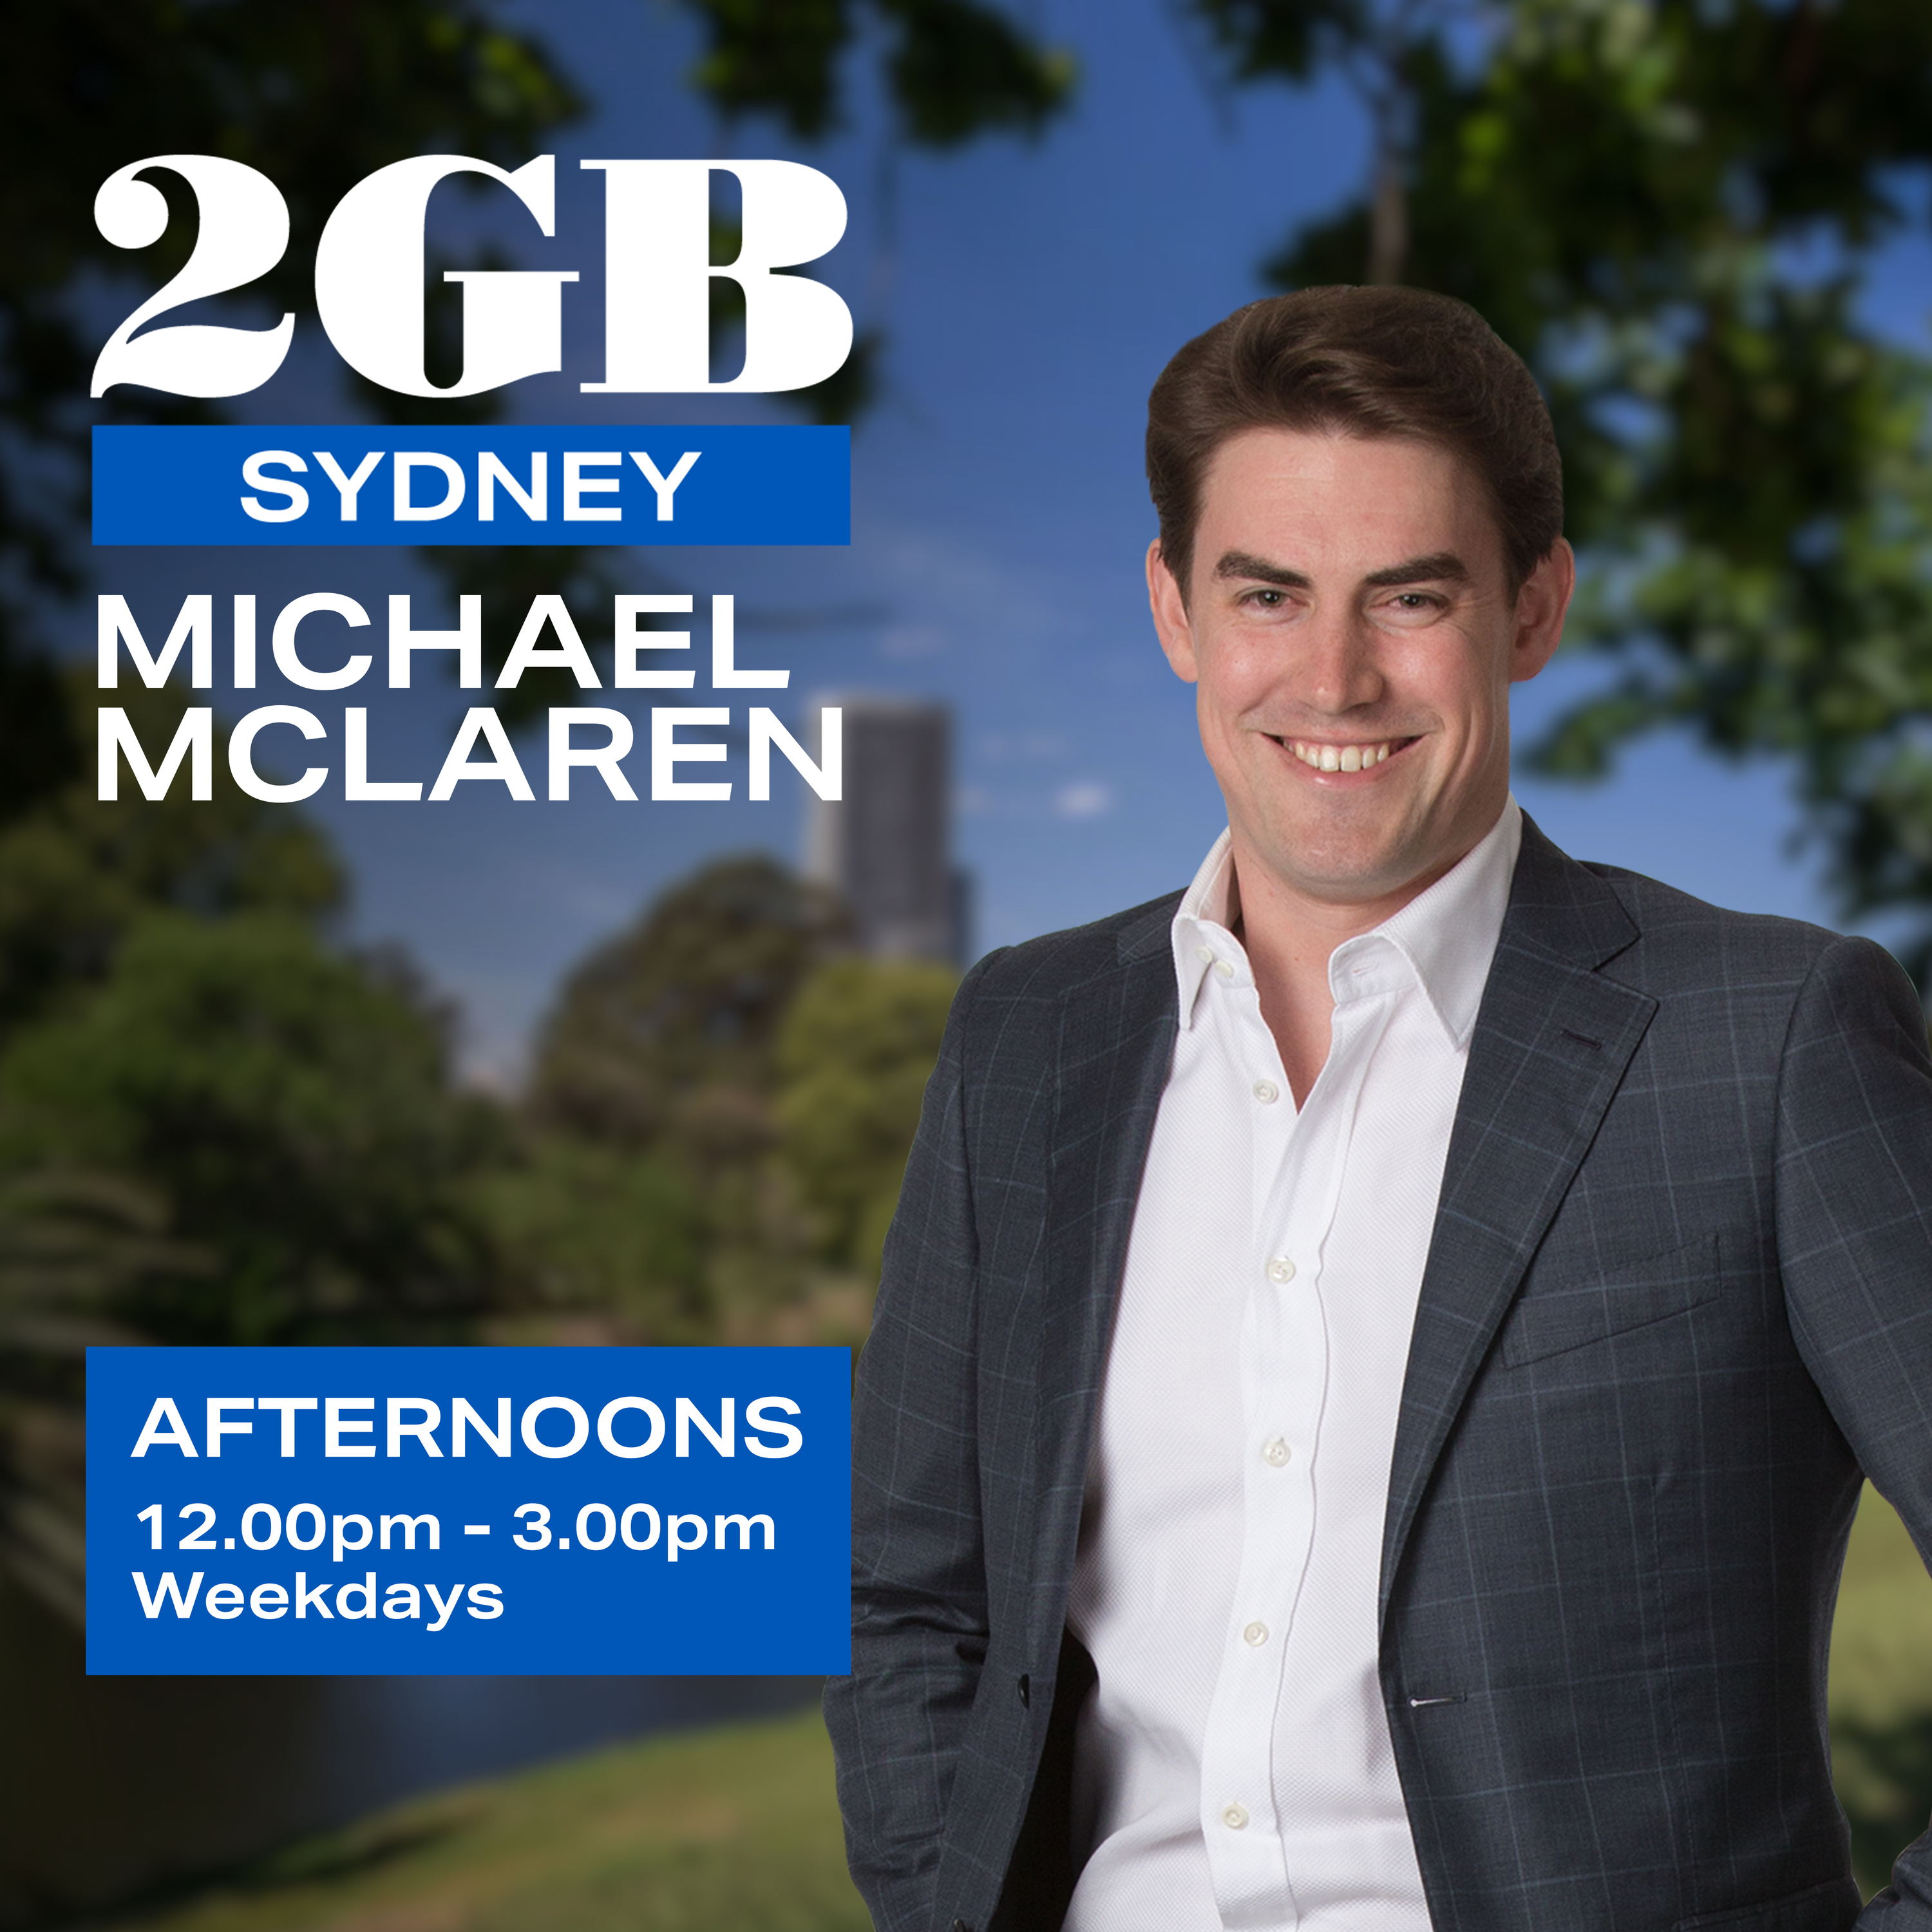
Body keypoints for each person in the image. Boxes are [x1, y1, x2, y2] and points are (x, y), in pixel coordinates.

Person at [824, 285, 1932, 1932]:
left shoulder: (1765, 1037)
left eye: (1409, 597)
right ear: (1176, 611)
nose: (1333, 679)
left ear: (1534, 611)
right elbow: (911, 1596)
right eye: (1267, 593)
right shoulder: (1029, 1038)